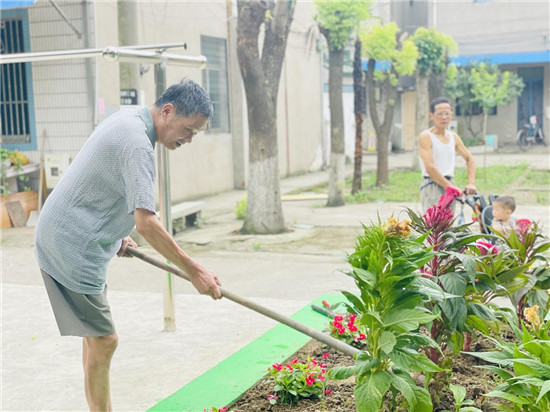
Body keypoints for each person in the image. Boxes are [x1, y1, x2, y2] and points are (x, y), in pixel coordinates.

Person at [35, 79, 222, 411]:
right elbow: (147, 222)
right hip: (71, 245)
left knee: (95, 339)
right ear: (168, 111)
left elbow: (100, 178)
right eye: (189, 129)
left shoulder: (129, 119)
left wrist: (113, 232)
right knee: (105, 341)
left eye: (195, 134)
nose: (189, 139)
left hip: (74, 235)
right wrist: (195, 271)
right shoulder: (137, 143)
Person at [418, 97, 477, 213]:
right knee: (433, 225)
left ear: (451, 115)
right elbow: (429, 168)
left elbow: (470, 159)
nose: (444, 117)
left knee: (448, 225)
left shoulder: (453, 137)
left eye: (447, 114)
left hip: (449, 183)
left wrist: (471, 183)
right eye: (440, 114)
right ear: (431, 116)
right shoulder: (426, 136)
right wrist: (450, 186)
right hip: (432, 184)